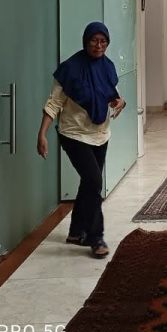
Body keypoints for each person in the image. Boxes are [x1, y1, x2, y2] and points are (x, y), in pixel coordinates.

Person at [38, 21, 126, 258]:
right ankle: (96, 238)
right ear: (86, 41)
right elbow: (54, 103)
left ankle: (76, 232)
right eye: (94, 41)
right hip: (74, 134)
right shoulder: (70, 69)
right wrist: (42, 134)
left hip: (101, 134)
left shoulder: (107, 66)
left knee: (89, 183)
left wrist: (121, 102)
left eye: (103, 41)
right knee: (94, 182)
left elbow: (113, 95)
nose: (99, 46)